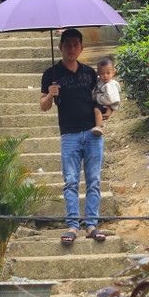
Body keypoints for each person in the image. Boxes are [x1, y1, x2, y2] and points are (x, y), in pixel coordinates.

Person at [39, 28, 104, 244]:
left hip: (93, 133)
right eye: (68, 44)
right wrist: (51, 94)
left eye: (76, 44)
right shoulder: (51, 74)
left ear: (81, 48)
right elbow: (43, 106)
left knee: (94, 180)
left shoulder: (89, 73)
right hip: (69, 135)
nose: (72, 48)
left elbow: (99, 98)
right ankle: (73, 226)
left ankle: (92, 225)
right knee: (70, 181)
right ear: (60, 47)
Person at [91, 58, 121, 137]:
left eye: (108, 73)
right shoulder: (99, 81)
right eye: (102, 73)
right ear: (98, 73)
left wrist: (96, 97)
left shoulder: (111, 85)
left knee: (97, 110)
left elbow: (111, 99)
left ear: (113, 72)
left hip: (105, 104)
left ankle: (99, 127)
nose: (105, 76)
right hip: (101, 102)